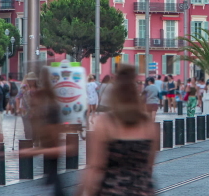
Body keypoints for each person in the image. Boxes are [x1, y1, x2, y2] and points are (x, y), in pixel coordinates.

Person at [82, 65, 158, 196]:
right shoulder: (148, 125)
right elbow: (149, 166)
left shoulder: (104, 123)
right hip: (142, 190)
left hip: (111, 190)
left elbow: (95, 167)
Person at [20, 67, 65, 196]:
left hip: (50, 146)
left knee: (53, 176)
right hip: (48, 146)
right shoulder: (49, 98)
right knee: (52, 176)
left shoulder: (48, 103)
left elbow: (54, 137)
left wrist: (35, 150)